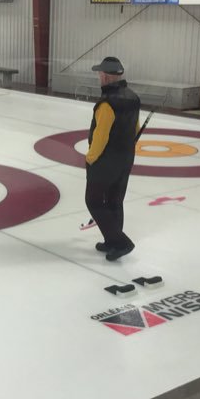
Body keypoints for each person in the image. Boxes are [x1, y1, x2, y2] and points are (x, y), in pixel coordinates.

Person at [85, 57, 142, 261]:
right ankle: (112, 241)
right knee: (115, 201)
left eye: (100, 74)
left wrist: (91, 158)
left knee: (93, 201)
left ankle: (121, 242)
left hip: (105, 161)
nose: (99, 77)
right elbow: (134, 128)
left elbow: (101, 137)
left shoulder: (106, 104)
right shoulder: (133, 98)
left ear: (107, 76)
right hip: (126, 158)